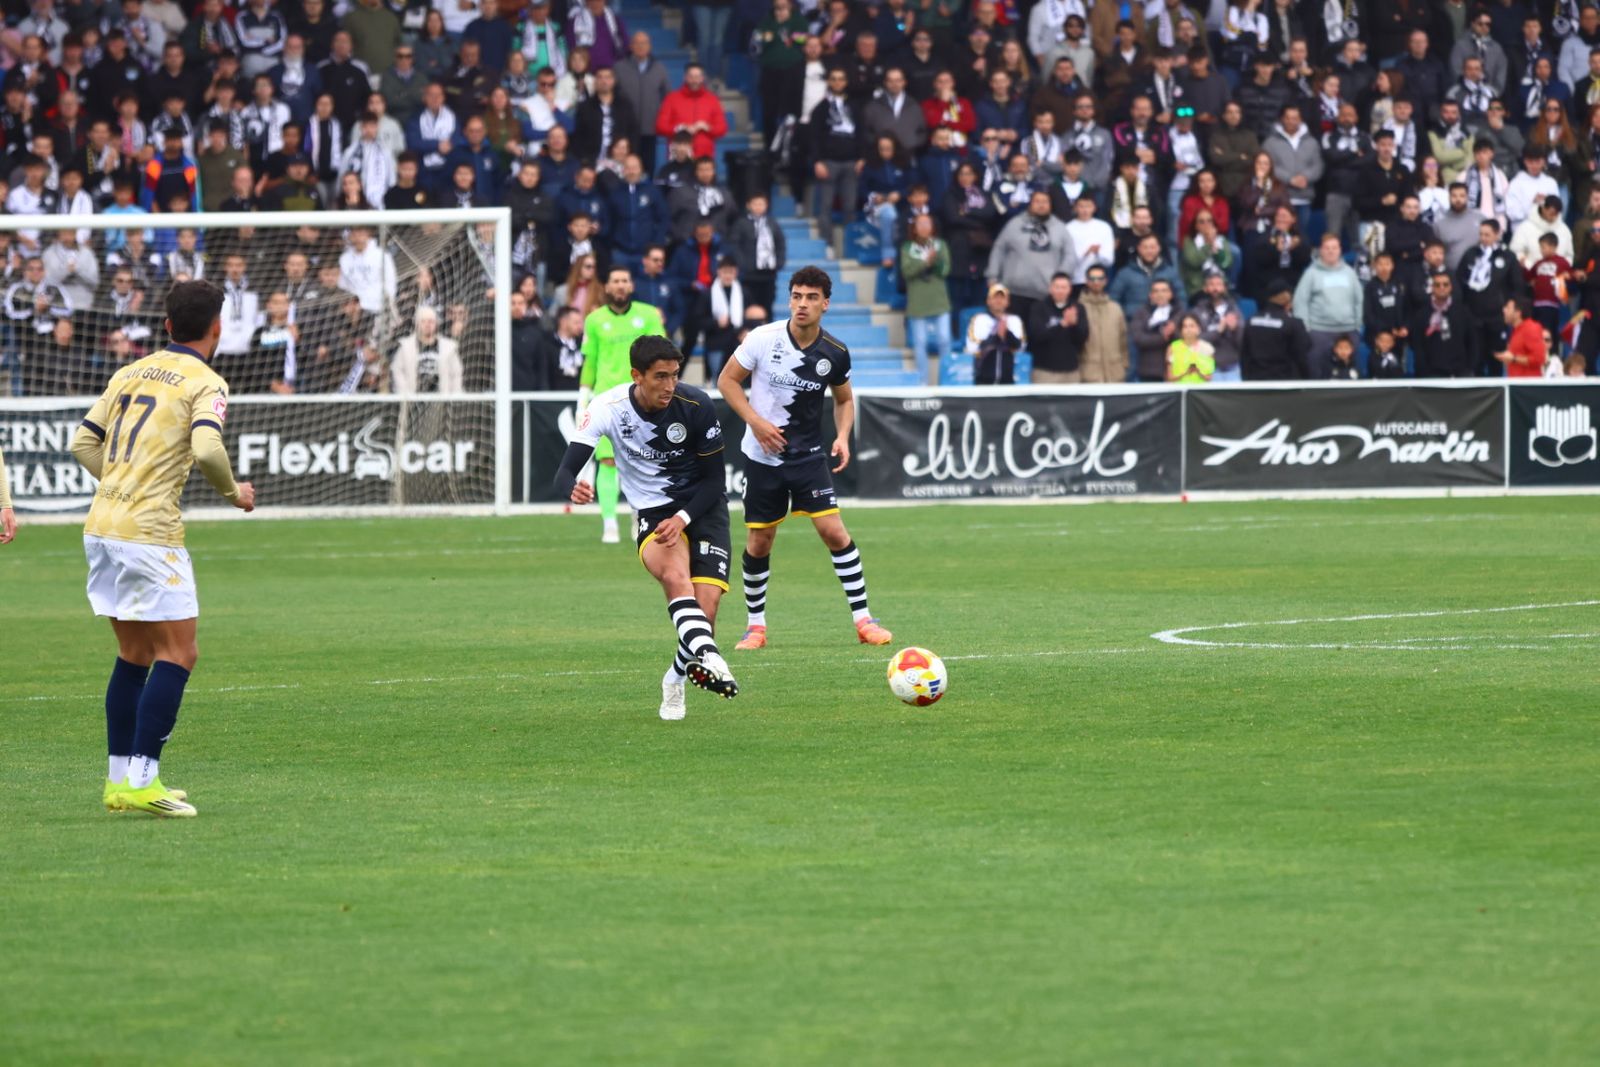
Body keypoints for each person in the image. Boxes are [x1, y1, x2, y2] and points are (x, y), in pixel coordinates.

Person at [66, 280, 256, 818]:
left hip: (102, 524)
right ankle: (146, 780)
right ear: (217, 328)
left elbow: (83, 441)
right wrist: (233, 492)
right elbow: (206, 446)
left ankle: (119, 781)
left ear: (168, 326)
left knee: (135, 653)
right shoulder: (207, 381)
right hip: (149, 533)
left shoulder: (129, 371)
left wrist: (121, 480)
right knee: (180, 652)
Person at [554, 334, 738, 720]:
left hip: (701, 509)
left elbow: (713, 482)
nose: (670, 386)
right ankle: (711, 657)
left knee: (706, 610)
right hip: (653, 513)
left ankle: (674, 679)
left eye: (674, 375)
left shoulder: (697, 405)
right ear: (637, 375)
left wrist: (683, 518)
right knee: (675, 578)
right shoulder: (607, 407)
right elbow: (566, 468)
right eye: (660, 377)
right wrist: (573, 485)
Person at [717, 265, 892, 652]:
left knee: (834, 532)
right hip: (763, 458)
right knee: (760, 541)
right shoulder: (762, 339)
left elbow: (844, 400)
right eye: (797, 296)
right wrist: (756, 423)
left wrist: (843, 436)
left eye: (811, 297)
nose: (802, 304)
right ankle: (755, 628)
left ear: (825, 304)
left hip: (810, 457)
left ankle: (864, 620)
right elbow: (727, 381)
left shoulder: (835, 352)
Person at [579, 265, 667, 543]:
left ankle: (640, 516)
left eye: (624, 280)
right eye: (615, 280)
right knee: (607, 461)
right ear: (607, 286)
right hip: (606, 401)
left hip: (643, 399)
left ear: (631, 286)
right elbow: (590, 360)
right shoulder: (594, 320)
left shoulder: (649, 316)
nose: (620, 285)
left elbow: (663, 356)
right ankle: (609, 524)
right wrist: (583, 395)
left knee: (643, 462)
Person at [1293, 233, 1362, 378]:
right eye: (1327, 248)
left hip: (1348, 331)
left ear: (1340, 250)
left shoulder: (1349, 273)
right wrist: (1306, 328)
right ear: (1321, 251)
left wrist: (1357, 325)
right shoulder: (1310, 274)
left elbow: (1359, 300)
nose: (1331, 251)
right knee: (1316, 372)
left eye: (1334, 248)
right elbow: (1300, 302)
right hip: (1319, 332)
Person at [900, 213, 951, 383]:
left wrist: (935, 262)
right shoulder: (907, 248)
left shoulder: (940, 245)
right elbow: (907, 272)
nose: (923, 227)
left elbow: (945, 270)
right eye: (920, 224)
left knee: (944, 339)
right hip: (917, 302)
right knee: (920, 343)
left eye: (927, 224)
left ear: (932, 227)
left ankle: (946, 380)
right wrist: (924, 263)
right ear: (914, 228)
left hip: (939, 300)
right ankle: (923, 381)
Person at [1409, 271, 1477, 378]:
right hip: (1432, 374)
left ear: (1451, 287)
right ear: (1432, 288)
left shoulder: (1463, 312)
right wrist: (1423, 372)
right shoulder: (1421, 315)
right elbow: (1417, 346)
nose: (1442, 288)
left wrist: (1469, 368)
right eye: (1437, 285)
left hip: (1460, 373)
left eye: (1445, 284)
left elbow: (1472, 341)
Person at [1241, 278, 1311, 379]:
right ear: (1287, 299)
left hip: (1256, 384)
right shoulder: (1294, 324)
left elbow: (1244, 355)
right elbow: (1302, 356)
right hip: (1285, 385)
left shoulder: (1251, 321)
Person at [1027, 271, 1087, 384]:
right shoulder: (1038, 307)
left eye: (1064, 287)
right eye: (1057, 287)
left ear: (1070, 289)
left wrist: (1074, 325)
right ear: (1050, 288)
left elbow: (1083, 338)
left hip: (1071, 372)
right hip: (1044, 372)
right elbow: (1037, 336)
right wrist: (1062, 324)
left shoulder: (1078, 308)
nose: (1060, 291)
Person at [391, 305, 464, 394]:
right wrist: (405, 393)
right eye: (423, 321)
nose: (427, 325)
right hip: (413, 400)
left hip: (441, 400)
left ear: (436, 324)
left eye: (431, 321)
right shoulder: (406, 346)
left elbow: (456, 373)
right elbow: (397, 370)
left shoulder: (448, 347)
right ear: (417, 324)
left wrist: (455, 395)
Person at [966, 281, 1027, 384]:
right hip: (983, 380)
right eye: (995, 297)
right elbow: (973, 347)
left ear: (1008, 302)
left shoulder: (1015, 320)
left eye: (1002, 297)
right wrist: (996, 336)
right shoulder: (979, 320)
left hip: (1007, 380)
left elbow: (1020, 347)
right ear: (988, 301)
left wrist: (1006, 333)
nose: (998, 300)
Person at [1076, 264, 1129, 383]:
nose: (1096, 282)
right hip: (1089, 374)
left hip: (1115, 375)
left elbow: (1123, 340)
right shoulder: (1078, 308)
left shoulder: (1115, 308)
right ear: (1086, 281)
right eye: (1092, 279)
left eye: (1100, 279)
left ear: (1105, 281)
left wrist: (1124, 365)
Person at [1496, 295, 1548, 377]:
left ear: (1518, 313)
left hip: (1528, 386)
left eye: (1508, 308)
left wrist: (1513, 358)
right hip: (1517, 385)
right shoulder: (1516, 330)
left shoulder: (1531, 328)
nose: (1504, 310)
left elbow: (1539, 358)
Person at [1166, 311, 1214, 382]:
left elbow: (1209, 378)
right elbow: (1169, 378)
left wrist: (1198, 372)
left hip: (1200, 391)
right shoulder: (1172, 348)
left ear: (1198, 328)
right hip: (1179, 391)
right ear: (1181, 330)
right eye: (1185, 326)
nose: (1188, 329)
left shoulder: (1207, 348)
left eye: (1192, 326)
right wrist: (1185, 373)